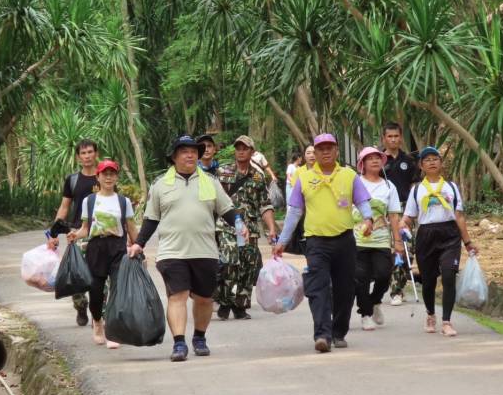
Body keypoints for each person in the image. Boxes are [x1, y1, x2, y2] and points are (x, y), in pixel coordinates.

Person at [128, 135, 247, 362]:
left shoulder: (210, 181)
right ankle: (179, 343)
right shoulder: (161, 185)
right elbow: (151, 219)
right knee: (178, 296)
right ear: (174, 157)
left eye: (194, 151)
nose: (190, 155)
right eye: (184, 151)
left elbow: (227, 209)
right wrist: (138, 243)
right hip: (172, 252)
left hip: (205, 251)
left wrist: (240, 225)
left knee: (204, 299)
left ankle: (199, 338)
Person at [273, 134, 373, 353]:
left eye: (330, 148)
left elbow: (362, 200)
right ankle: (322, 335)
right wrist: (282, 240)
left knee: (345, 289)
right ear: (314, 153)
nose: (326, 152)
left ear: (336, 151)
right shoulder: (305, 178)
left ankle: (338, 332)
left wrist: (368, 218)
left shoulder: (349, 175)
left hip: (345, 240)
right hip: (316, 242)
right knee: (318, 289)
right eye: (321, 149)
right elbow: (295, 212)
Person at [401, 146, 477, 337]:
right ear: (421, 165)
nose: (432, 162)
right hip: (426, 235)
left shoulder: (450, 187)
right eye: (427, 160)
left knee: (449, 275)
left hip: (449, 234)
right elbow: (409, 216)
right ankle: (430, 314)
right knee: (428, 281)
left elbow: (459, 216)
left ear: (441, 163)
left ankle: (447, 321)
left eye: (436, 159)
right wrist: (402, 227)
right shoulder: (416, 190)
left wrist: (468, 242)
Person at [68, 160, 138, 349]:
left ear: (116, 177)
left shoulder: (123, 202)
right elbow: (85, 228)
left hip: (117, 247)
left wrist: (139, 246)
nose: (108, 177)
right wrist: (75, 235)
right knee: (96, 292)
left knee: (116, 290)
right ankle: (97, 321)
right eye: (104, 174)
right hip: (96, 248)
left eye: (112, 174)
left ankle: (112, 331)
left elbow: (131, 227)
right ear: (97, 177)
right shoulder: (89, 201)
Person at [215, 136, 278, 320]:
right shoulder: (222, 171)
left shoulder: (258, 177)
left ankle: (240, 305)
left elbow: (264, 204)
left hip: (249, 227)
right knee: (229, 261)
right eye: (238, 148)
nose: (241, 151)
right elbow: (212, 198)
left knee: (248, 266)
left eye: (245, 148)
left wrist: (272, 228)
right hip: (226, 225)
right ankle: (225, 301)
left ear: (252, 152)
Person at [47, 139, 99, 327]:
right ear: (78, 157)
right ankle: (81, 307)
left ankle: (98, 313)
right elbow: (64, 206)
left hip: (100, 233)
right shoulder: (73, 180)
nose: (87, 156)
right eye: (83, 153)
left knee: (100, 275)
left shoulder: (105, 176)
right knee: (76, 274)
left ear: (96, 154)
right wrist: (53, 233)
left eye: (90, 152)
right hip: (76, 232)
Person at [352, 147, 404, 331]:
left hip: (381, 239)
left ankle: (375, 302)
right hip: (358, 239)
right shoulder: (355, 183)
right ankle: (365, 314)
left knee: (383, 274)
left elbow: (394, 216)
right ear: (362, 163)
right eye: (370, 158)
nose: (374, 161)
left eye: (377, 158)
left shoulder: (389, 186)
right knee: (361, 278)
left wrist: (397, 241)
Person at [380, 123, 420, 306]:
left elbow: (414, 186)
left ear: (401, 137)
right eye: (390, 136)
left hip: (406, 209)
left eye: (396, 136)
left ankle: (399, 287)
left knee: (406, 248)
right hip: (386, 211)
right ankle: (393, 287)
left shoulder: (409, 161)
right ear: (384, 138)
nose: (393, 139)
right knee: (391, 248)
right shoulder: (378, 161)